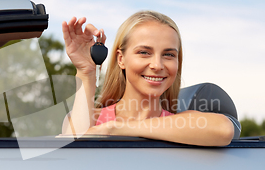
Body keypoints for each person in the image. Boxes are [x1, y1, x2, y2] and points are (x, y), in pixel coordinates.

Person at [61, 11, 234, 146]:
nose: (157, 65)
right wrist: (86, 73)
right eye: (144, 52)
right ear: (121, 59)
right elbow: (71, 158)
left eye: (168, 54)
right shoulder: (91, 119)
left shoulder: (182, 125)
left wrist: (117, 128)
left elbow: (224, 129)